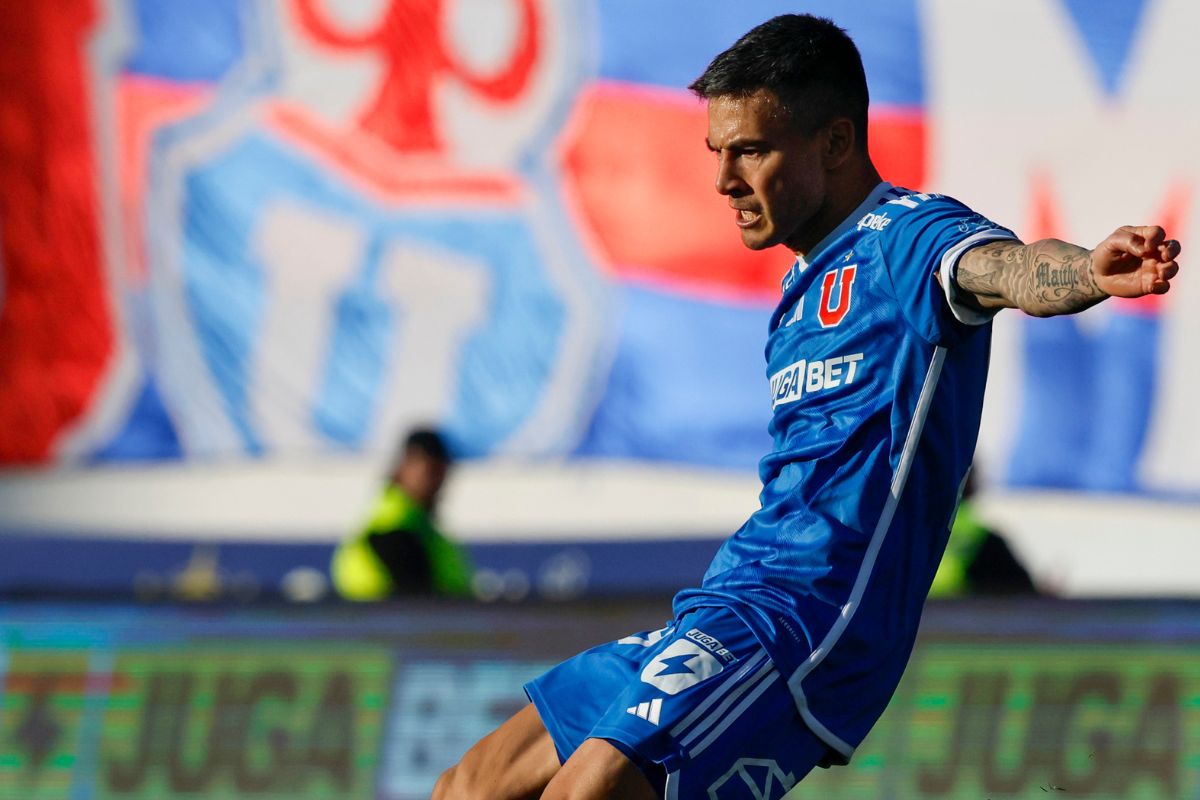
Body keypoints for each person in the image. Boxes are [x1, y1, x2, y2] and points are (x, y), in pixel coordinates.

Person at [433, 14, 1181, 799]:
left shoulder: (909, 238)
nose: (725, 179)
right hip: (727, 601)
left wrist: (1089, 273)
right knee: (468, 784)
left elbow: (1011, 271)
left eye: (751, 150)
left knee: (587, 793)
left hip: (806, 625)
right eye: (717, 153)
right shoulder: (795, 295)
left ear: (832, 142)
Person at [331, 427, 473, 599]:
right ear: (404, 466)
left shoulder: (423, 530)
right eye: (430, 469)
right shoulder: (392, 529)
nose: (438, 479)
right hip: (384, 624)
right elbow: (421, 606)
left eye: (443, 469)